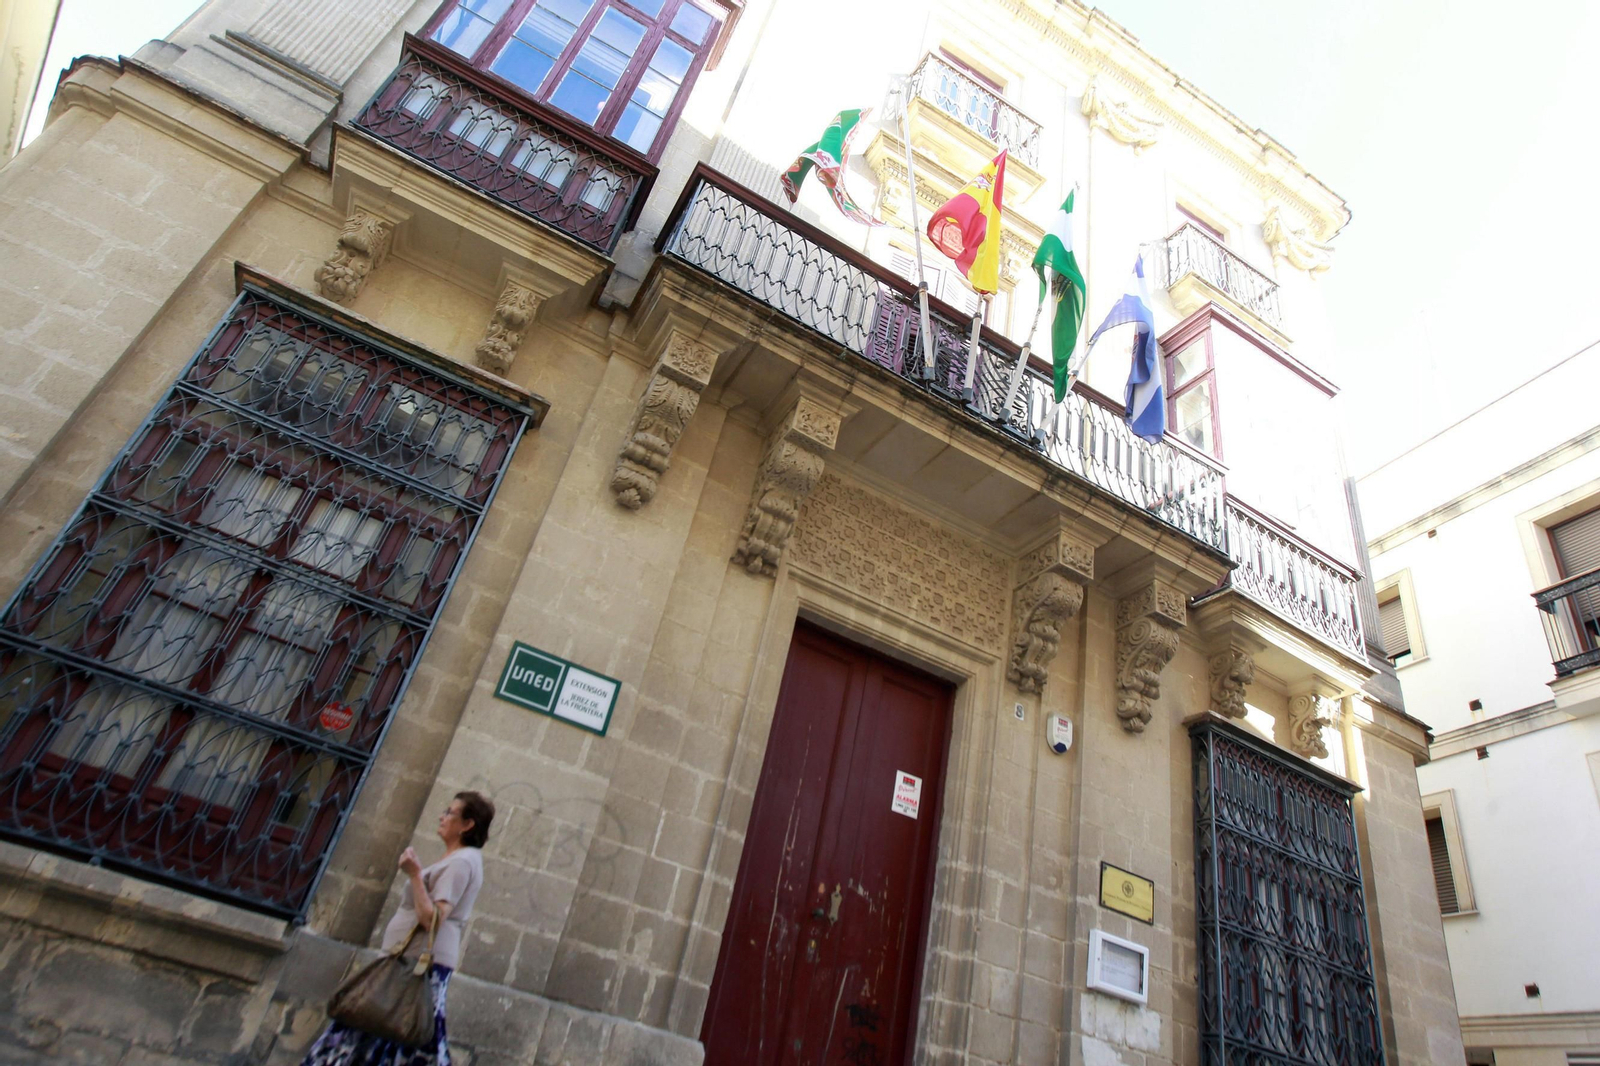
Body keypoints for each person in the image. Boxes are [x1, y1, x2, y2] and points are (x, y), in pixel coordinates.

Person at [302, 790, 494, 1066]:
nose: (442, 816)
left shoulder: (461, 863)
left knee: (379, 1027)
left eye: (450, 812)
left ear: (467, 824)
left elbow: (433, 920)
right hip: (408, 963)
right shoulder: (456, 859)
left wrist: (415, 874)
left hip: (417, 967)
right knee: (374, 1032)